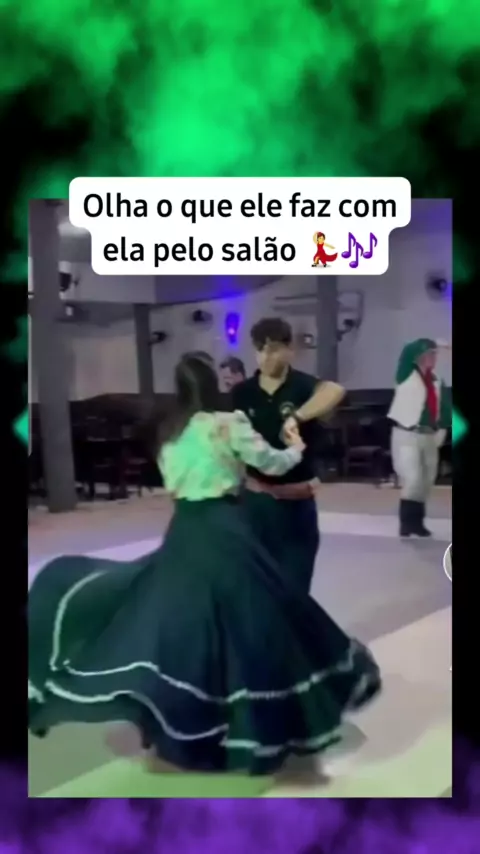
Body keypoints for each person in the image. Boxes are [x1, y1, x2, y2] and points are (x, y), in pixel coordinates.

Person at [28, 354, 380, 777]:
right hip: (226, 529)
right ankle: (255, 725)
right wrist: (295, 447)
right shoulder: (227, 423)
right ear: (211, 383)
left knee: (188, 630)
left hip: (183, 532)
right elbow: (272, 464)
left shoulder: (168, 432)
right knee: (256, 620)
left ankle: (188, 724)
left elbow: (172, 483)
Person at [232, 318, 345, 593]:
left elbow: (335, 391)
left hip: (297, 502)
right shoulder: (242, 393)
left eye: (273, 350)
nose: (266, 357)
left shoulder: (303, 386)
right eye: (260, 350)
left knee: (296, 584)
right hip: (257, 502)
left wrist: (298, 416)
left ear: (289, 350)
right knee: (259, 586)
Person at [388, 338, 451, 538]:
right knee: (413, 478)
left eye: (434, 354)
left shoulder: (437, 381)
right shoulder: (406, 374)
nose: (433, 357)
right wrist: (434, 343)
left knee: (426, 480)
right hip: (407, 434)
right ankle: (406, 523)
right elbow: (407, 352)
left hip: (429, 434)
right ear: (419, 356)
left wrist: (442, 429)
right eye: (429, 354)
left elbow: (445, 408)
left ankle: (418, 523)